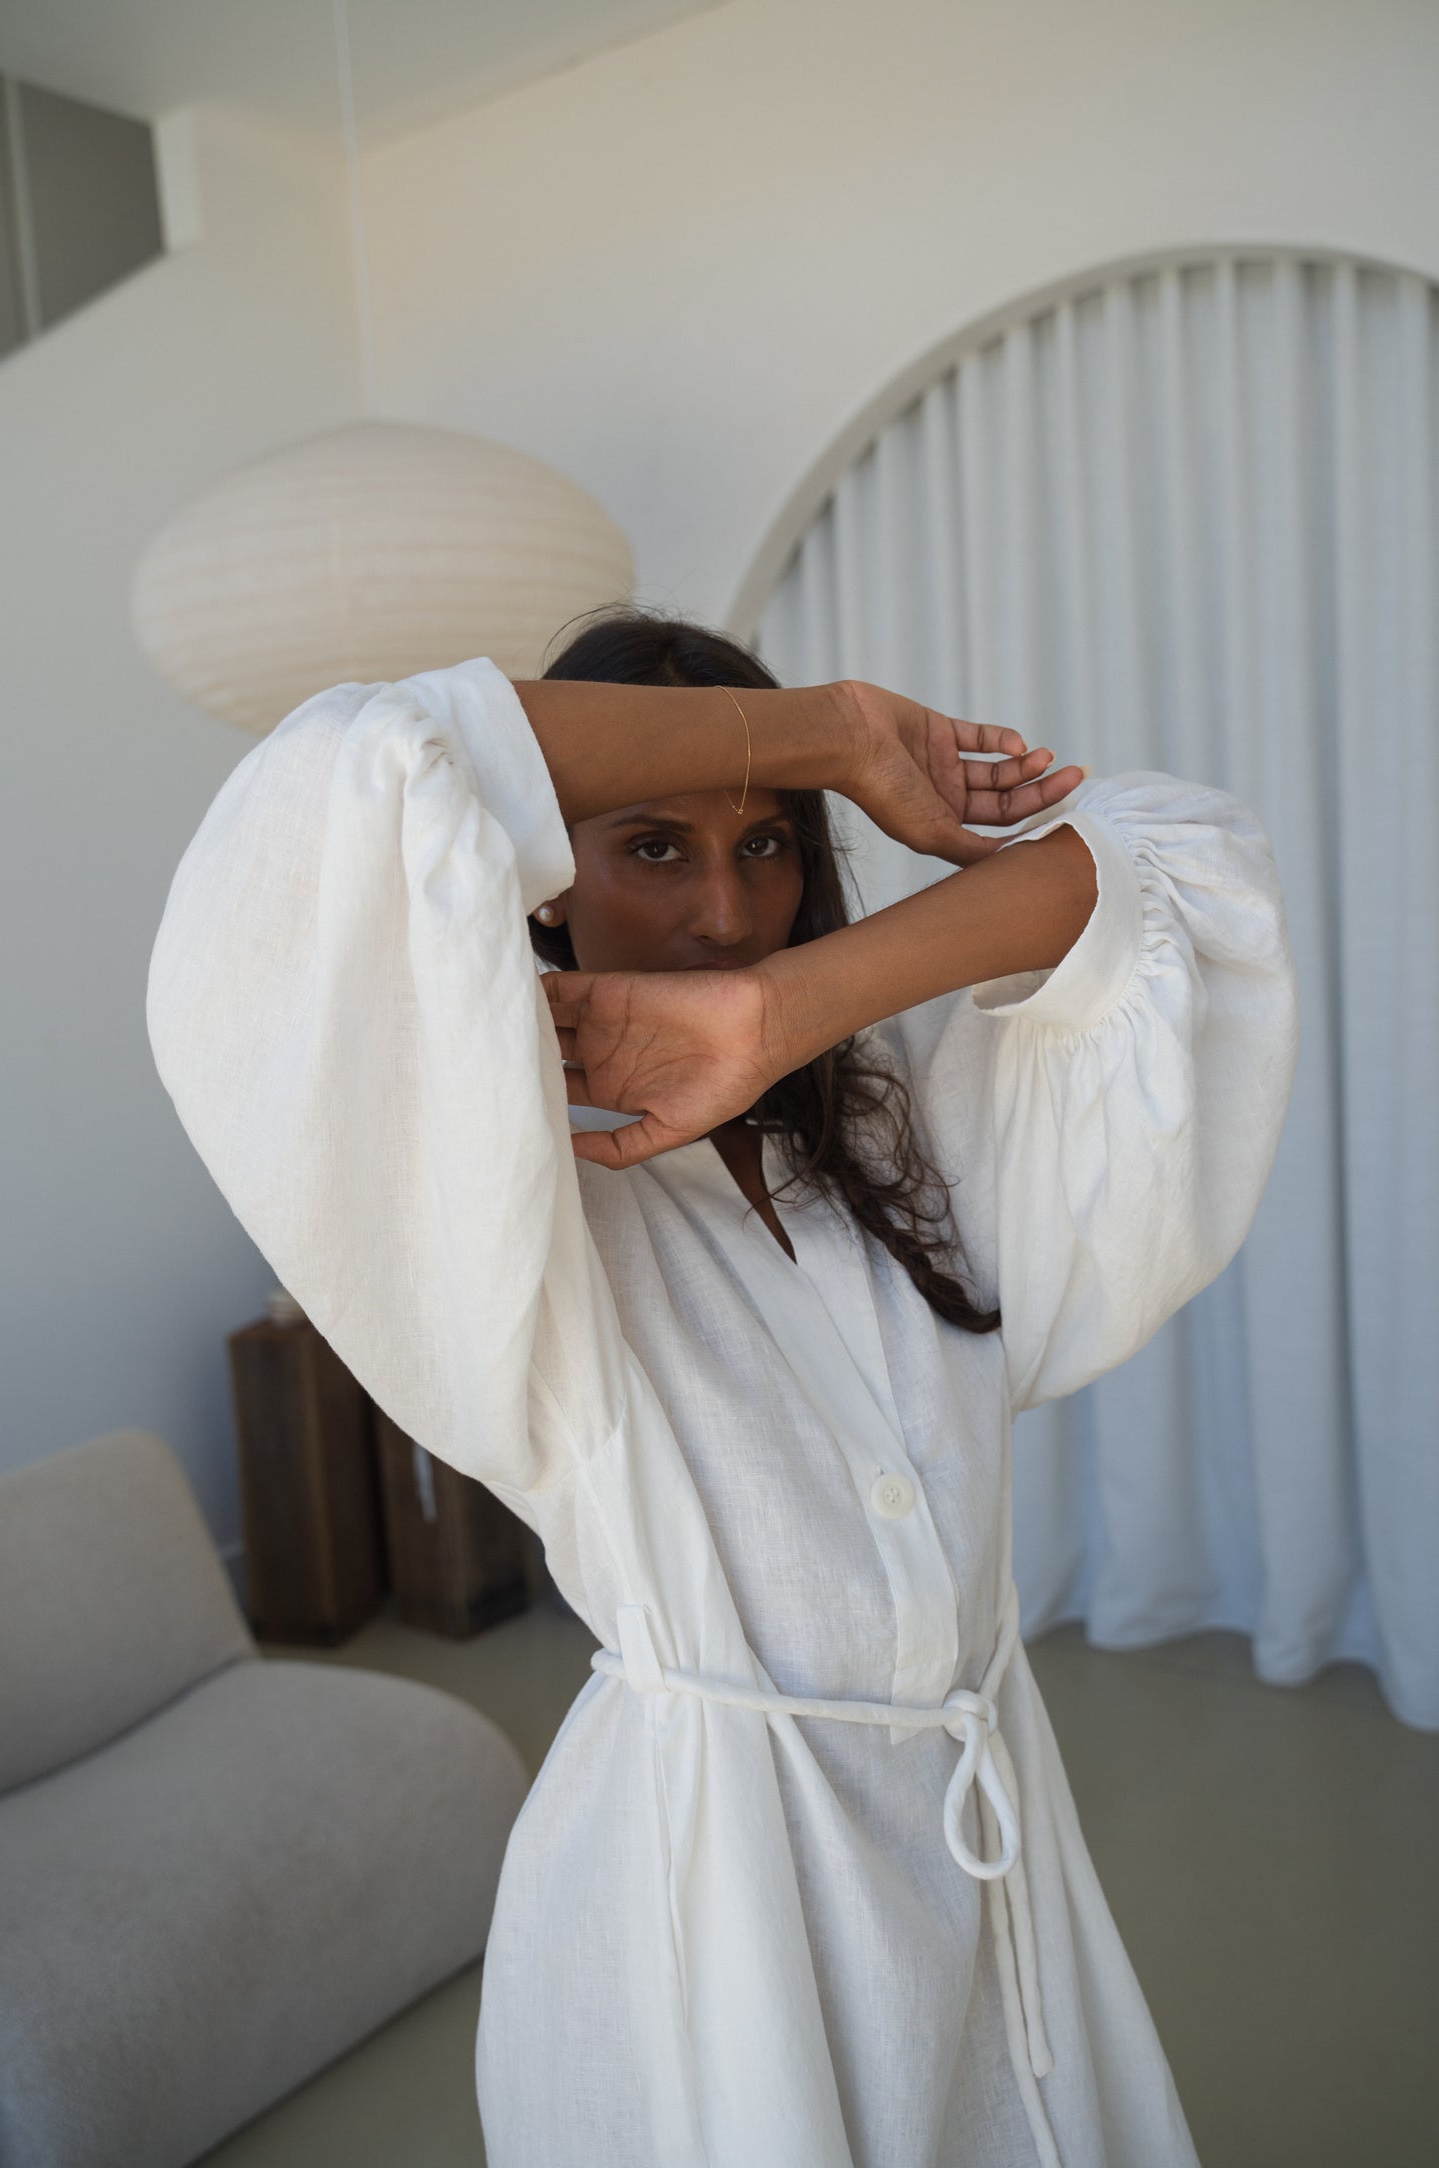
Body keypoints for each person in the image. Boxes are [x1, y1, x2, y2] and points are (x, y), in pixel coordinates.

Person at [147, 609, 1298, 2168]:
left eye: (769, 844)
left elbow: (1182, 860)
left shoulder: (890, 1132)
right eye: (650, 850)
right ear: (541, 877)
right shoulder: (502, 1193)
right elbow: (338, 777)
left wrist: (779, 1015)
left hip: (985, 1835)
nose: (727, 909)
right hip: (713, 1899)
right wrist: (822, 730)